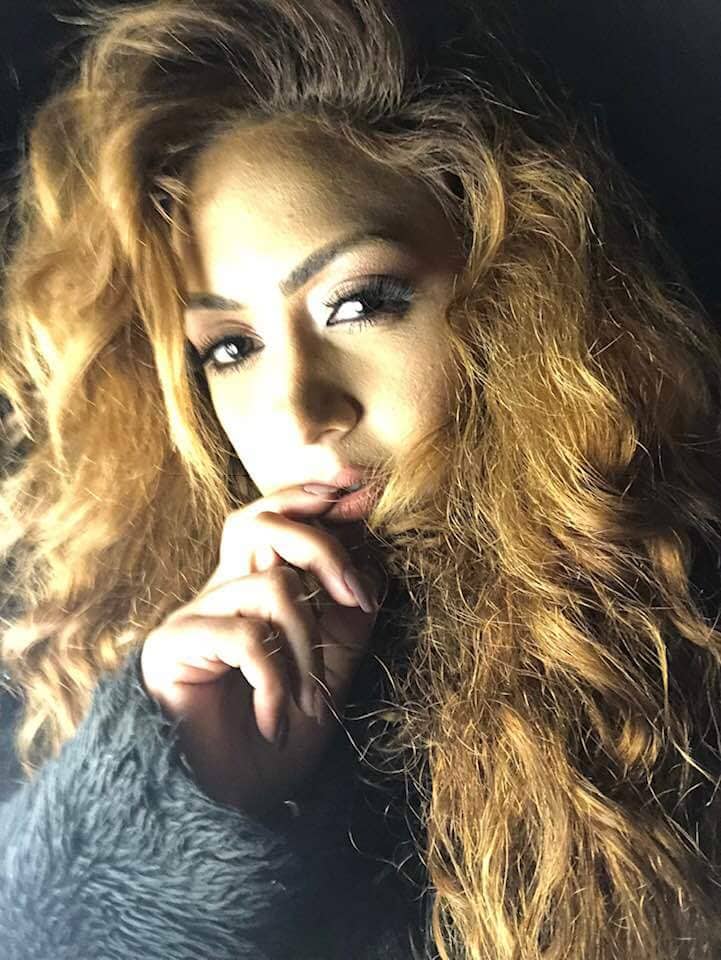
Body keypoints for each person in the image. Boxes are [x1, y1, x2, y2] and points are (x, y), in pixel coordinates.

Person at [1, 0, 721, 957]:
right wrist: (180, 806)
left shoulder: (691, 644)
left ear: (510, 293)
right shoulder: (143, 679)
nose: (299, 411)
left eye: (359, 302)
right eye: (230, 347)